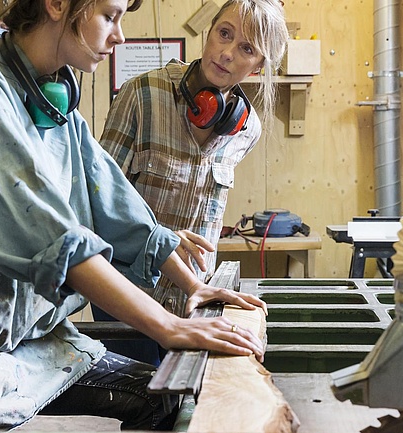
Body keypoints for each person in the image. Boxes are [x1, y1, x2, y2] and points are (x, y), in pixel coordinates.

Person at [0, 0, 268, 430]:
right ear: (59, 4)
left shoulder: (51, 103)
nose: (118, 36)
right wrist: (169, 327)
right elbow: (54, 241)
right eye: (110, 17)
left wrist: (195, 286)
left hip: (15, 347)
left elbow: (119, 209)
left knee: (160, 400)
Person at [97, 0, 288, 364]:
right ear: (210, 29)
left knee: (184, 404)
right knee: (143, 404)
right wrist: (159, 236)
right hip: (127, 287)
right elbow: (100, 199)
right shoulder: (142, 94)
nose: (228, 53)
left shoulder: (247, 129)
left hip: (194, 295)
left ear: (259, 65)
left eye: (247, 48)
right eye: (224, 34)